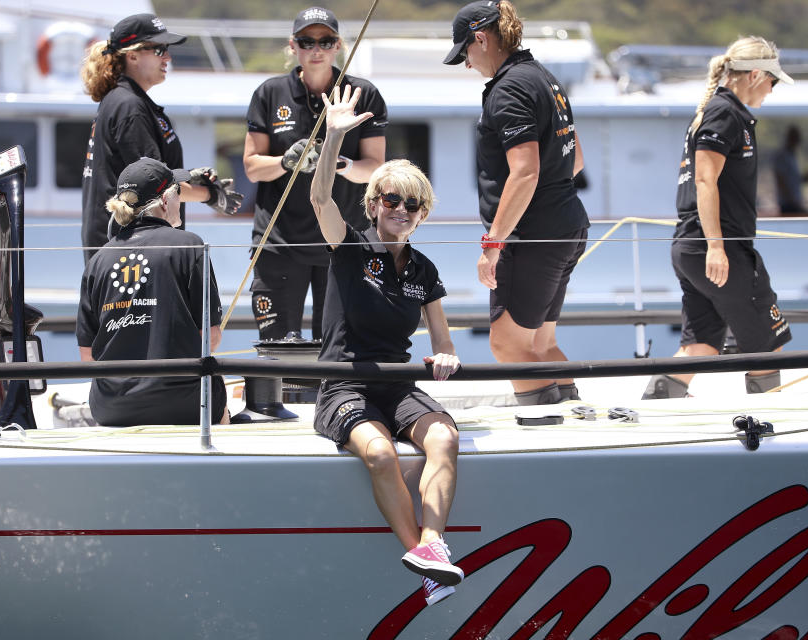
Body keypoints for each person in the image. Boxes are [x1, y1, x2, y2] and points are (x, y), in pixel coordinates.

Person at [310, 85, 463, 607]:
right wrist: (333, 136)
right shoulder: (351, 247)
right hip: (345, 382)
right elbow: (320, 197)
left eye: (413, 203)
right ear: (374, 205)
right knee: (379, 455)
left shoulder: (424, 268)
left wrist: (445, 355)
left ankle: (432, 547)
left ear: (422, 214)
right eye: (392, 199)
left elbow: (443, 341)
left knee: (443, 437)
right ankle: (426, 568)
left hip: (397, 383)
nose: (402, 209)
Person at [444, 0, 589, 405]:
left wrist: (493, 243)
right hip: (567, 224)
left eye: (465, 54)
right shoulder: (545, 78)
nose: (468, 64)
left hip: (533, 236)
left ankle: (550, 437)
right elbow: (575, 159)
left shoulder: (507, 89)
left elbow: (525, 173)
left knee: (507, 345)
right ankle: (575, 427)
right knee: (540, 344)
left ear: (481, 38)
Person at [642, 37, 793, 400]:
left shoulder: (717, 111)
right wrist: (716, 246)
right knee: (767, 343)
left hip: (693, 247)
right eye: (772, 81)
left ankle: (656, 409)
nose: (772, 90)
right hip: (716, 247)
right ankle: (774, 428)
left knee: (703, 345)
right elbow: (705, 179)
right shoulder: (725, 113)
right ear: (756, 75)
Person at [243, 6, 386, 341]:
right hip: (279, 242)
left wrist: (339, 164)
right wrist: (287, 161)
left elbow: (374, 169)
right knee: (277, 347)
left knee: (338, 347)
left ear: (338, 46)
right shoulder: (269, 93)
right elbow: (251, 167)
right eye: (307, 41)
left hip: (342, 239)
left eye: (326, 40)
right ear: (293, 46)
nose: (316, 49)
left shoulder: (363, 93)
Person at [77, 157, 228, 426]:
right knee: (220, 400)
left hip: (112, 408)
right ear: (166, 201)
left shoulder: (97, 261)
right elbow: (211, 338)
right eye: (179, 193)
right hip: (185, 404)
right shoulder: (190, 246)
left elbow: (87, 355)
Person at [81, 12, 241, 262]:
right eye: (159, 49)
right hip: (130, 253)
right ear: (132, 55)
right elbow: (156, 187)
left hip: (121, 248)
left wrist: (188, 176)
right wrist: (211, 195)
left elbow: (150, 175)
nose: (167, 56)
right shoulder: (130, 108)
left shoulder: (123, 101)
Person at [773, 125, 808, 214]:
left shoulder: (792, 156)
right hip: (788, 204)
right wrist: (791, 200)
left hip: (794, 202)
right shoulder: (782, 156)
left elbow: (792, 179)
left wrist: (803, 179)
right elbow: (780, 179)